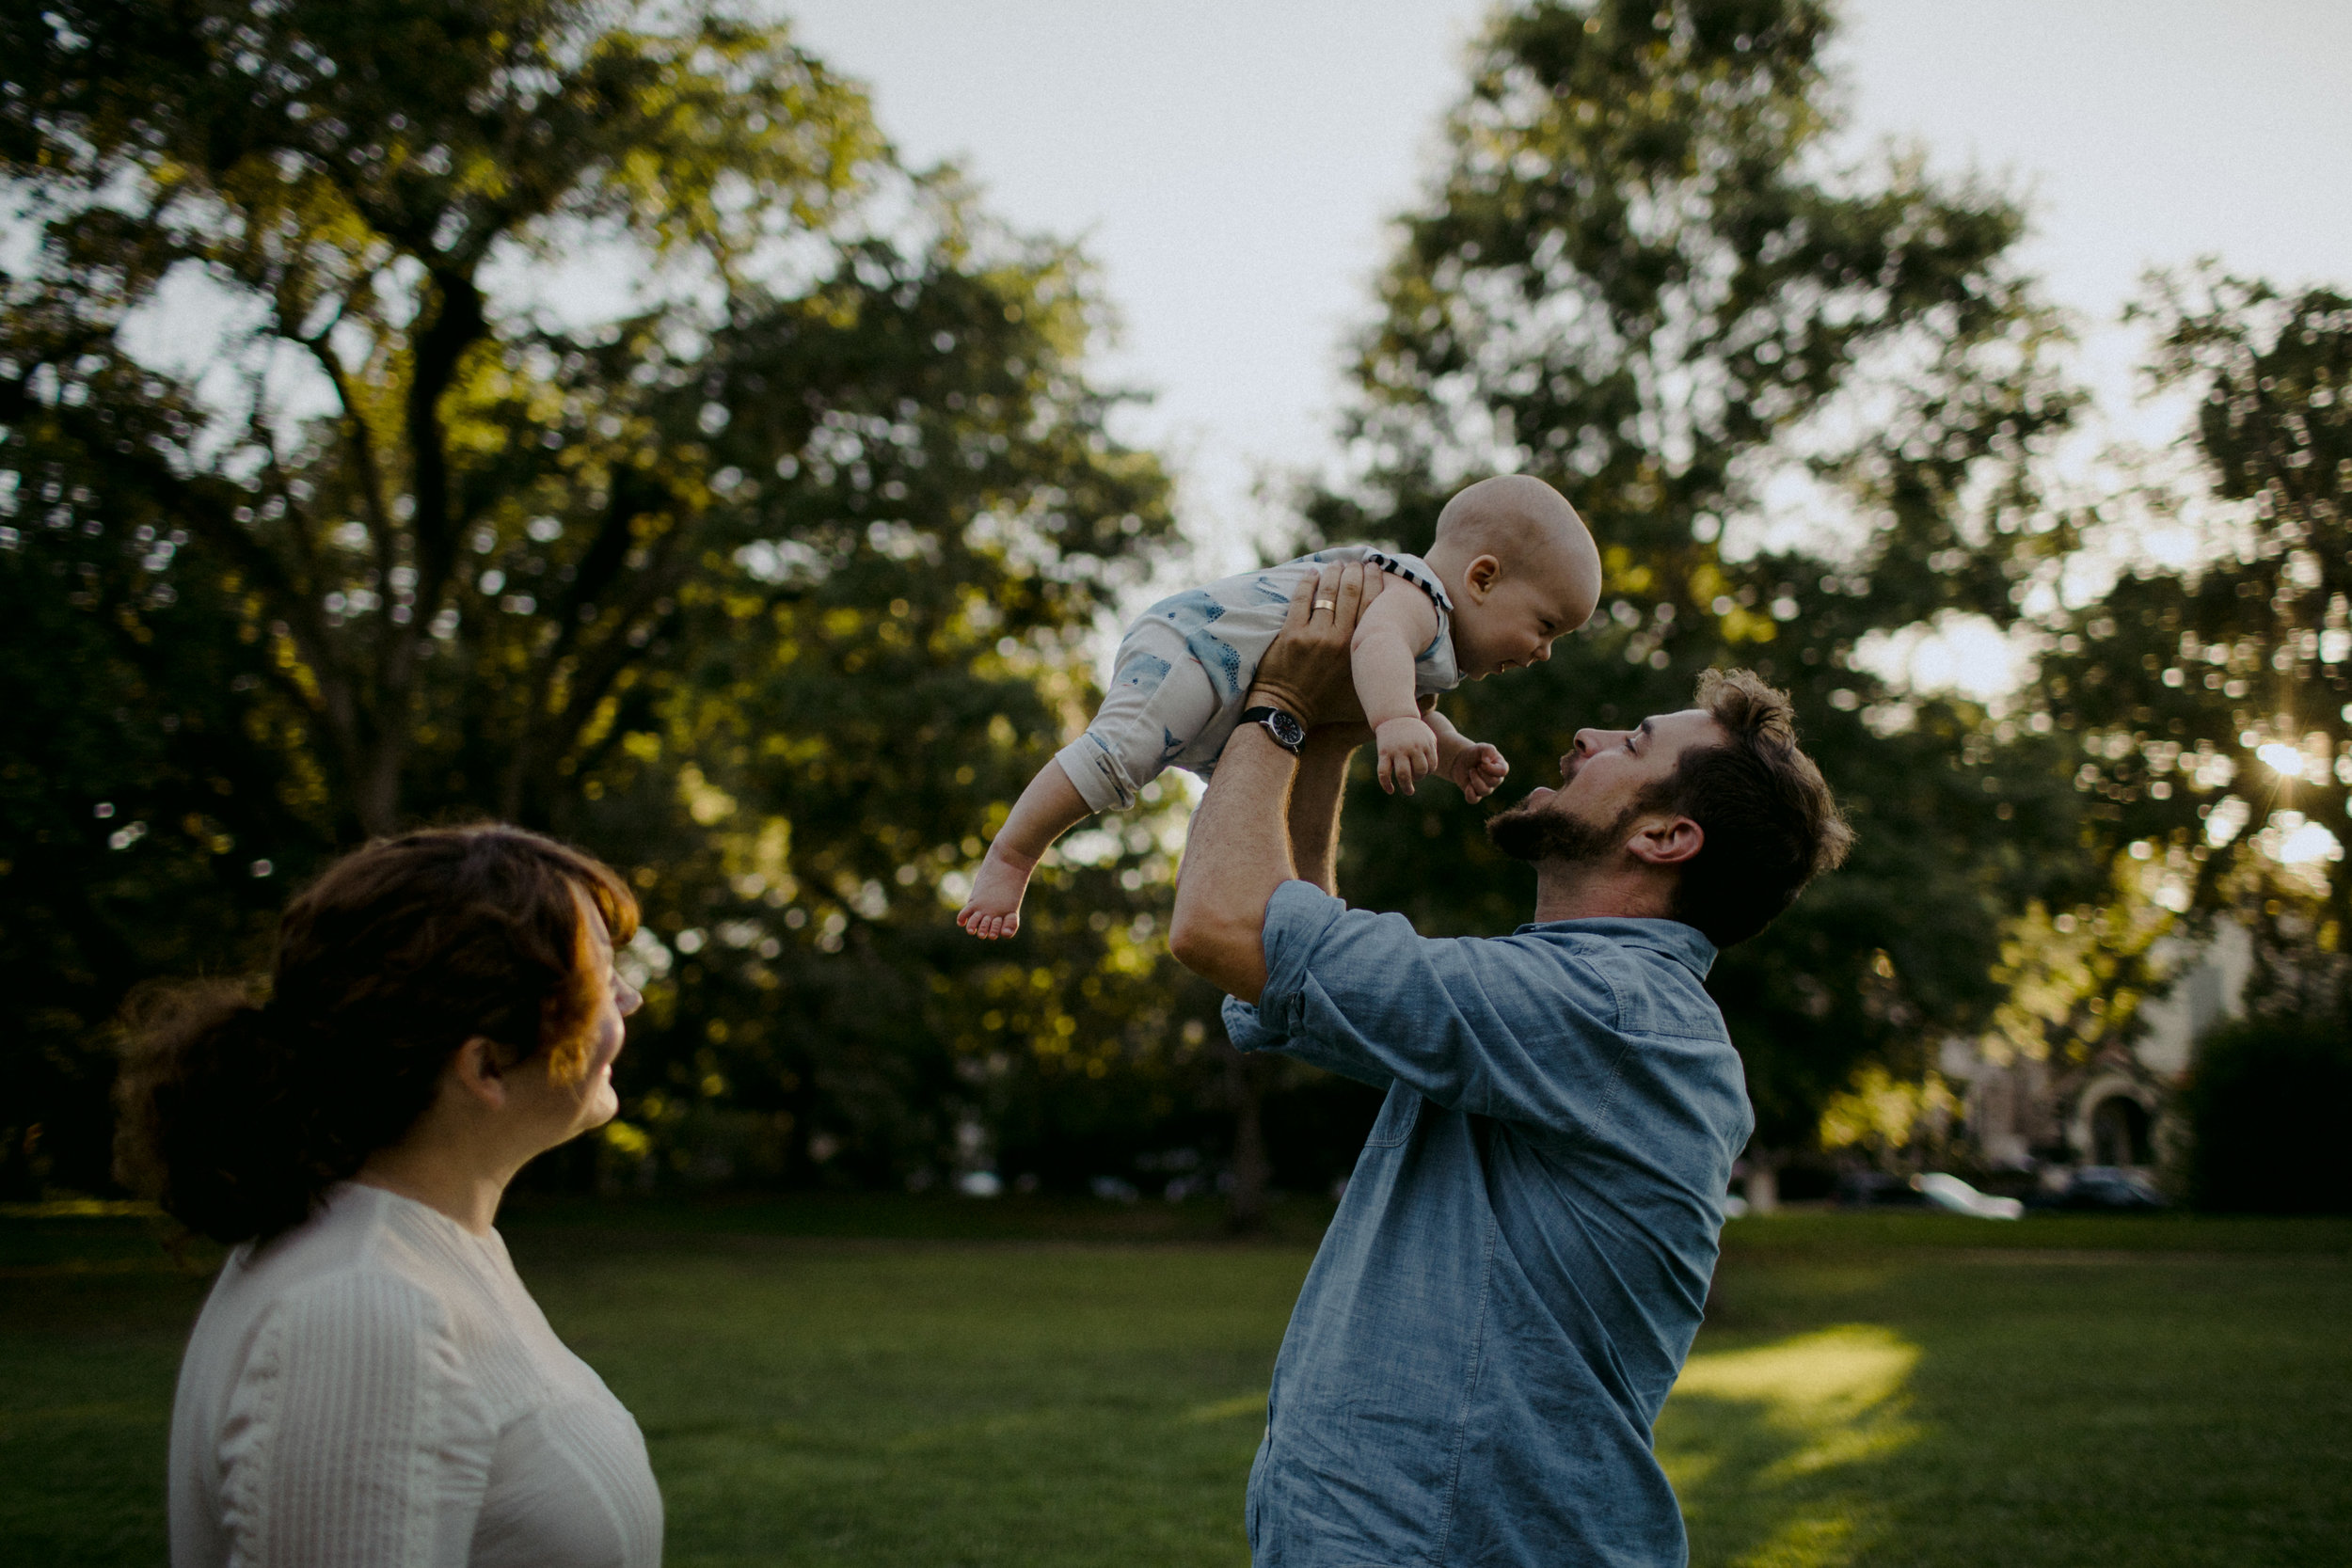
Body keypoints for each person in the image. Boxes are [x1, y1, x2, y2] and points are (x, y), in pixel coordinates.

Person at [1168, 562, 1851, 1568]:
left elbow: (1225, 926)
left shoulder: (1613, 1014)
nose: (1587, 734)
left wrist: (1274, 705)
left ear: (1666, 835)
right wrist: (1328, 737)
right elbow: (1287, 955)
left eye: (1632, 743)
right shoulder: (1564, 1000)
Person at [116, 824, 665, 1568]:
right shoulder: (362, 1308)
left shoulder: (421, 1249)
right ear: (487, 1064)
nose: (630, 998)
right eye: (600, 976)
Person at [958, 474, 1602, 938]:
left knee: (1241, 815)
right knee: (1119, 755)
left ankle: (1272, 921)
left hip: (1236, 687)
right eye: (1544, 625)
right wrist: (1397, 720)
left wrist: (1454, 754)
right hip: (1199, 646)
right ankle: (1013, 855)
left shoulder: (1430, 642)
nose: (1544, 652)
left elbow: (1392, 683)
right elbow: (1378, 646)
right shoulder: (1417, 596)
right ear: (1483, 578)